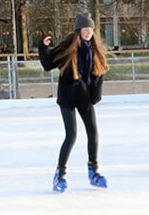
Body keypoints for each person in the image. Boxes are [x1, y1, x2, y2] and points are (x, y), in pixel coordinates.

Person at [38, 13, 109, 192]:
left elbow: (99, 74)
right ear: (79, 31)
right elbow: (47, 64)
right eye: (85, 30)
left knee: (93, 134)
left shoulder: (95, 50)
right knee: (71, 136)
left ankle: (93, 171)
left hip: (85, 99)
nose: (88, 33)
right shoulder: (69, 47)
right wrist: (43, 47)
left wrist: (95, 97)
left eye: (91, 30)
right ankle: (59, 174)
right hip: (68, 98)